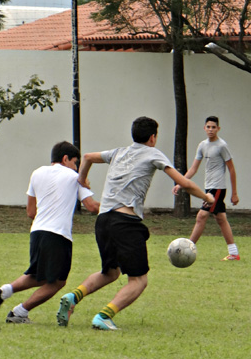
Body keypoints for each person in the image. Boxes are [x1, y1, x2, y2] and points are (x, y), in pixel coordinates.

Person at [56, 116, 214, 331]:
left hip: (103, 220)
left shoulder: (118, 152)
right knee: (139, 280)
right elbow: (183, 182)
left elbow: (88, 157)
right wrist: (207, 198)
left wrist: (81, 179)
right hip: (125, 221)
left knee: (110, 272)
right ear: (153, 137)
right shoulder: (153, 153)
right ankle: (104, 316)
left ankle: (73, 296)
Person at [0, 141, 100, 324]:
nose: (77, 167)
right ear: (66, 159)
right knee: (58, 282)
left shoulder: (37, 173)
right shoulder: (74, 176)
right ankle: (19, 313)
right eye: (75, 162)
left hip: (37, 231)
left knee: (38, 275)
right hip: (58, 234)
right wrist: (115, 209)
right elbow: (92, 206)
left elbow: (31, 212)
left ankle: (1, 293)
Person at [172, 116, 241, 261]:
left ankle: (187, 249)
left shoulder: (222, 146)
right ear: (204, 128)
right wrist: (180, 182)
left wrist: (234, 193)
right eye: (208, 127)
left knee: (201, 216)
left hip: (218, 188)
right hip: (209, 187)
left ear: (218, 129)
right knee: (221, 218)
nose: (210, 130)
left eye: (213, 127)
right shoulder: (202, 145)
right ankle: (234, 253)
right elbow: (193, 168)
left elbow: (232, 169)